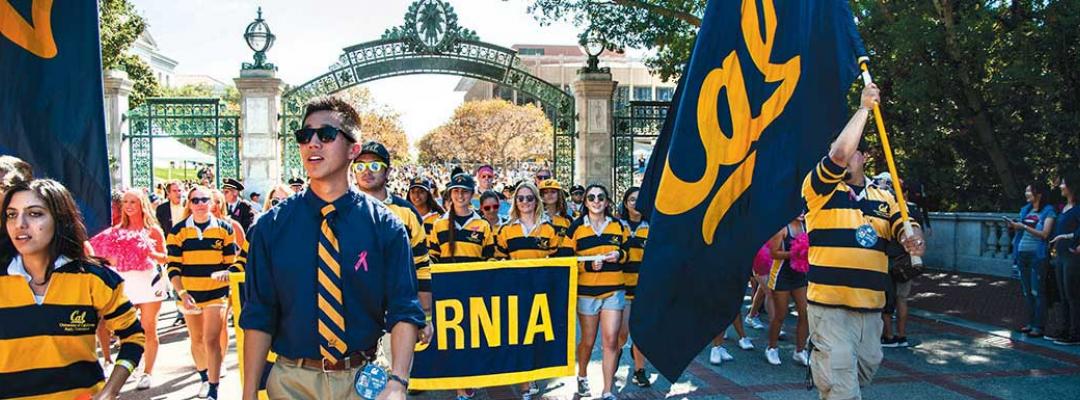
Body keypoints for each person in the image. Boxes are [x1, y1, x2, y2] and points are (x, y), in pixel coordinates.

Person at [240, 96, 426, 400]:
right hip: (290, 382)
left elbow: (404, 309)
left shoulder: (387, 227)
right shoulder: (269, 227)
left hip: (365, 381)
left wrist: (398, 382)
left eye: (325, 135)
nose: (313, 143)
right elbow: (258, 314)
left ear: (354, 149)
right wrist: (248, 394)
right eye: (305, 135)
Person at [802, 83, 925, 399]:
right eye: (837, 148)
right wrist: (864, 108)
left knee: (861, 371)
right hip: (829, 308)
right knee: (842, 387)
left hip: (870, 310)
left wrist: (915, 240)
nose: (841, 155)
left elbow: (906, 227)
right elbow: (838, 154)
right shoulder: (819, 189)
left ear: (866, 156)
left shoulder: (886, 197)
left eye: (853, 148)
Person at [0, 179, 145, 399]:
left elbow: (133, 337)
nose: (20, 223)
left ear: (60, 220)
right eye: (12, 214)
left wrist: (109, 391)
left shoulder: (95, 279)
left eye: (34, 213)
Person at [352, 141, 432, 366]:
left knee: (393, 383)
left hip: (396, 312)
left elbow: (422, 267)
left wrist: (426, 316)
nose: (366, 171)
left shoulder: (407, 212)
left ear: (388, 171)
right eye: (360, 166)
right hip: (352, 311)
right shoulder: (340, 210)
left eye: (375, 166)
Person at [90, 189, 169, 390]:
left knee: (148, 326)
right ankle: (127, 362)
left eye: (133, 201)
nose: (129, 205)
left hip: (150, 281)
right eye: (125, 202)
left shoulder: (154, 231)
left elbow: (165, 257)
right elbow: (96, 252)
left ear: (142, 204)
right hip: (125, 283)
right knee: (123, 327)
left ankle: (147, 372)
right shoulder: (115, 232)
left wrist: (148, 252)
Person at [557, 184, 629, 400]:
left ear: (607, 202)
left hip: (614, 290)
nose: (596, 201)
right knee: (588, 340)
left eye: (600, 197)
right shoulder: (576, 228)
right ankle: (582, 375)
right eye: (591, 197)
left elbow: (628, 253)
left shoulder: (618, 226)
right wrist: (587, 266)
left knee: (610, 340)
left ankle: (607, 390)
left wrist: (619, 254)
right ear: (585, 202)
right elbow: (565, 258)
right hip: (586, 293)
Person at [166, 186, 238, 400]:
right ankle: (204, 378)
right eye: (195, 200)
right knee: (196, 338)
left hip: (216, 293)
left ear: (213, 203)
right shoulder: (177, 231)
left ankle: (213, 389)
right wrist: (182, 292)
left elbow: (231, 263)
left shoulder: (225, 229)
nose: (200, 204)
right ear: (188, 203)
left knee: (211, 339)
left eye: (204, 199)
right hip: (189, 293)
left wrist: (226, 274)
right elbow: (173, 268)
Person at [428, 173, 495, 400]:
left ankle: (468, 379)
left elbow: (490, 260)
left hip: (475, 292)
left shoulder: (483, 226)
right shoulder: (438, 225)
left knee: (472, 339)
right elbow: (432, 260)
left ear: (472, 194)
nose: (460, 195)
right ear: (450, 193)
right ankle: (459, 386)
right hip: (447, 294)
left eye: (464, 191)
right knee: (451, 340)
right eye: (456, 190)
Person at [494, 182, 562, 400]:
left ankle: (532, 376)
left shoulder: (549, 229)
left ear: (536, 201)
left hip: (542, 294)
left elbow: (558, 262)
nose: (525, 202)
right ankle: (525, 385)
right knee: (521, 338)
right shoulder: (505, 230)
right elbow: (498, 261)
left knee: (537, 338)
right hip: (515, 294)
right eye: (520, 198)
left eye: (529, 198)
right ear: (515, 202)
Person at [1007, 181, 1056, 338]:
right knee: (1027, 292)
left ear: (1038, 194)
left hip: (1037, 256)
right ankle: (1030, 323)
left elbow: (1045, 234)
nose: (1026, 193)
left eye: (1029, 191)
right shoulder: (1025, 210)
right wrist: (1013, 227)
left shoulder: (1049, 211)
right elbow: (1021, 233)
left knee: (1038, 291)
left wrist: (1024, 227)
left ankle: (1039, 326)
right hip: (1022, 254)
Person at [615, 187, 652, 387]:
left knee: (640, 333)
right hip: (621, 286)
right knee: (622, 333)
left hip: (644, 288)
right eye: (631, 200)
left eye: (640, 200)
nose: (635, 204)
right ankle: (617, 352)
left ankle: (639, 370)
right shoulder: (617, 225)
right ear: (625, 203)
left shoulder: (653, 225)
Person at [764, 215, 809, 366]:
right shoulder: (782, 228)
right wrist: (795, 253)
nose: (802, 212)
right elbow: (773, 253)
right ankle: (772, 348)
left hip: (800, 275)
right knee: (780, 315)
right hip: (781, 275)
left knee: (805, 313)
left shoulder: (806, 226)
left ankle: (800, 351)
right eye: (799, 209)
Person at [1049, 173, 1080, 345]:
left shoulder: (1078, 208)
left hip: (1072, 256)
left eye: (1063, 184)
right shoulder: (1063, 208)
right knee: (1062, 294)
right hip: (1060, 256)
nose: (1060, 186)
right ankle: (1066, 328)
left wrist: (1069, 237)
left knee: (1072, 294)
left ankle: (1076, 332)